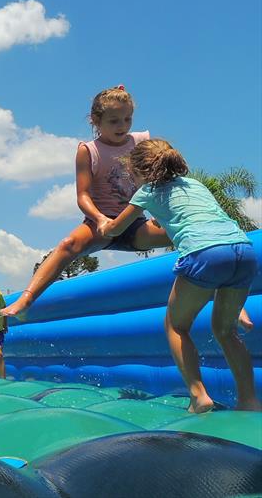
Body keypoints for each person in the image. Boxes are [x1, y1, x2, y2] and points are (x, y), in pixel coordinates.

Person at [100, 139, 260, 413]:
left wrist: (104, 226)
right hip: (243, 251)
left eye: (133, 175)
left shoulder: (147, 191)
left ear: (140, 172)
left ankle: (198, 396)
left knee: (176, 326)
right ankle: (249, 400)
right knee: (225, 330)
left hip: (204, 254)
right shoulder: (194, 185)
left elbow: (117, 228)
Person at [1, 85, 172, 320]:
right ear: (95, 121)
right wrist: (101, 219)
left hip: (134, 223)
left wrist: (161, 213)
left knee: (179, 232)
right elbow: (82, 195)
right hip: (99, 224)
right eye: (114, 121)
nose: (122, 126)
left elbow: (161, 178)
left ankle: (208, 288)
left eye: (127, 119)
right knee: (68, 244)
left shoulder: (141, 142)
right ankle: (26, 300)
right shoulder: (88, 151)